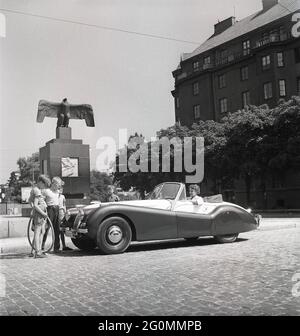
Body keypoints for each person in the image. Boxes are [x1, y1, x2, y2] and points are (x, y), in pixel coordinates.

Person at [28, 175, 51, 258]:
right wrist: (43, 213)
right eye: (44, 185)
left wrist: (33, 210)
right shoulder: (37, 191)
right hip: (40, 214)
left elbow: (30, 201)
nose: (44, 187)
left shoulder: (34, 189)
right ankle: (38, 252)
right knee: (38, 232)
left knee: (41, 232)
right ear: (41, 182)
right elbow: (35, 204)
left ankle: (34, 250)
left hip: (39, 213)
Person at [41, 176, 62, 253]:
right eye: (58, 184)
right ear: (53, 183)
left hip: (56, 209)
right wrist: (44, 209)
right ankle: (42, 246)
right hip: (49, 209)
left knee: (57, 229)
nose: (59, 186)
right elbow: (41, 200)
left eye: (59, 185)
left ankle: (56, 247)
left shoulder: (58, 192)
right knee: (46, 229)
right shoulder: (46, 191)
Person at [58, 186, 72, 251]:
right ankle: (56, 246)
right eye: (59, 189)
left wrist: (65, 213)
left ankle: (64, 246)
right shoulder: (55, 196)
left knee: (62, 231)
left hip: (62, 214)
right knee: (57, 231)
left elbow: (64, 205)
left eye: (61, 189)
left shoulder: (63, 196)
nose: (60, 190)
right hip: (57, 214)